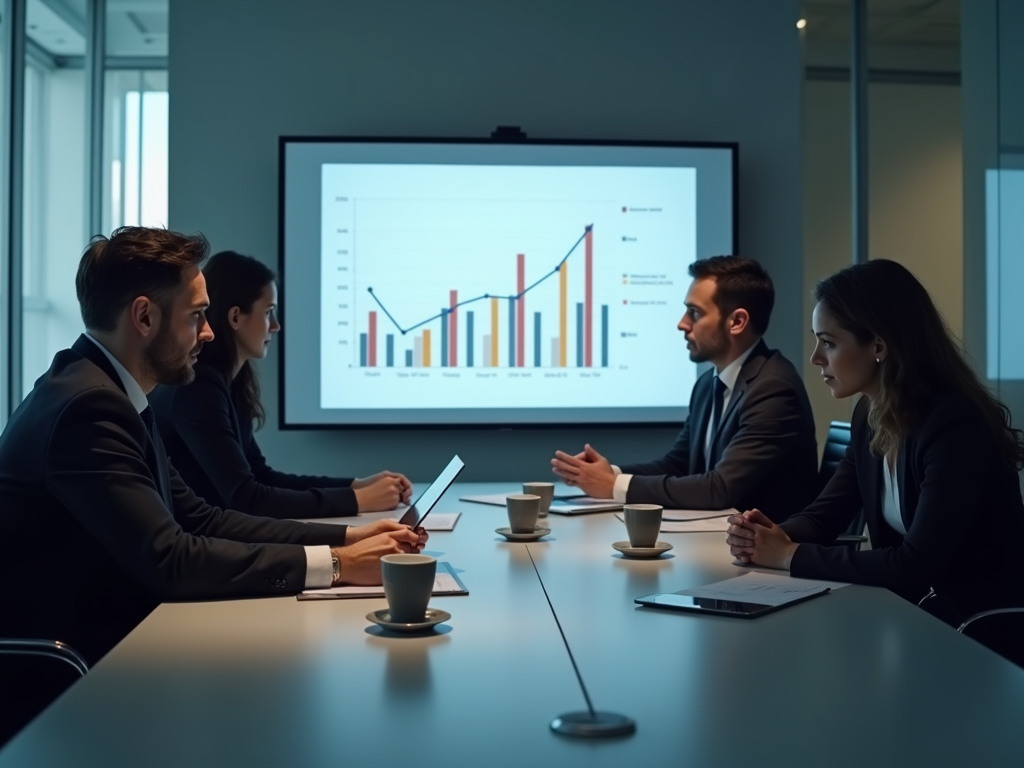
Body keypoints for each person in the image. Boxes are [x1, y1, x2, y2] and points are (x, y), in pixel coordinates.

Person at [0, 227, 426, 667]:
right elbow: (172, 560)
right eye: (196, 316)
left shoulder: (109, 391)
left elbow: (202, 518)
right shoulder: (89, 409)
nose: (208, 333)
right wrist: (338, 563)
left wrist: (352, 536)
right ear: (144, 318)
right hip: (67, 669)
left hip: (112, 637)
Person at [727, 259, 1024, 623]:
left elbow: (914, 564)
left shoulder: (954, 425)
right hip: (914, 614)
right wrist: (764, 537)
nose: (815, 358)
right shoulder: (870, 414)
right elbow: (824, 517)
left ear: (878, 346)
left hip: (977, 626)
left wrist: (787, 554)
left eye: (828, 343)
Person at [551, 256, 818, 522]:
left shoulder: (774, 388)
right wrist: (610, 473)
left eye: (695, 313)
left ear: (737, 322)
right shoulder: (707, 384)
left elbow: (720, 488)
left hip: (763, 556)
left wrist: (613, 486)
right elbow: (678, 463)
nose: (682, 323)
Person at [150, 251, 410, 519]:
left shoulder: (226, 382)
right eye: (268, 312)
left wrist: (356, 485)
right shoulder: (199, 388)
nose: (275, 326)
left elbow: (262, 476)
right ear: (236, 317)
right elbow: (247, 499)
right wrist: (358, 500)